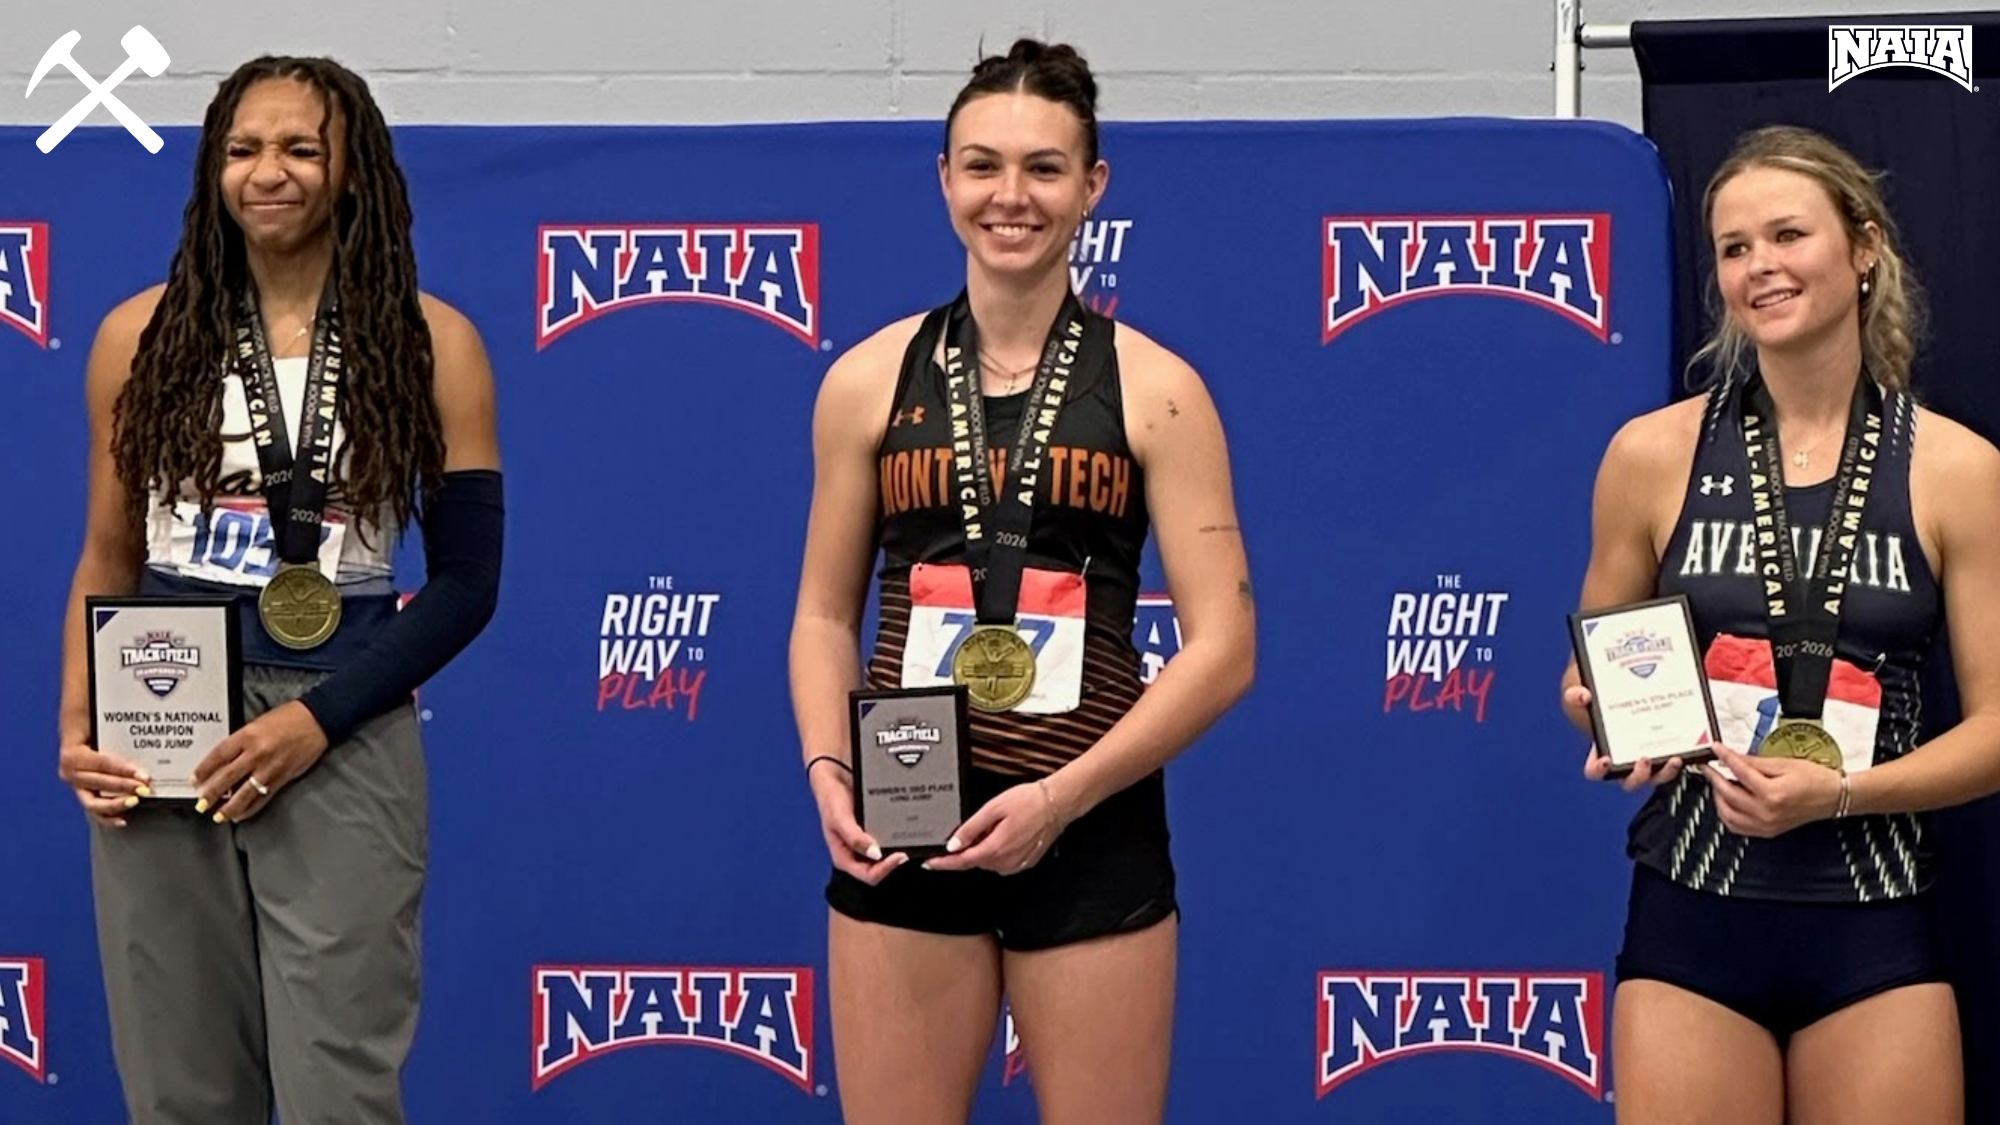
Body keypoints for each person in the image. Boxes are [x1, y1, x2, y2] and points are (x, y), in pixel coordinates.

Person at [787, 38, 1255, 1125]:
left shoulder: (1158, 388)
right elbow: (820, 613)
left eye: (1044, 168)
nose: (1011, 196)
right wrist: (825, 768)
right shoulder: (864, 380)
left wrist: (1058, 798)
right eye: (982, 165)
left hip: (1088, 819)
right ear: (944, 178)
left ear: (1092, 187)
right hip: (904, 812)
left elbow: (1225, 647)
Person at [53, 56, 503, 1124]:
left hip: (341, 715)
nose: (272, 172)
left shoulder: (432, 341)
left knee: (335, 1079)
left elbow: (467, 585)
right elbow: (108, 553)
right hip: (158, 713)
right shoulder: (137, 336)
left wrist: (315, 719)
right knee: (178, 1079)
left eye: (303, 147)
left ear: (352, 170)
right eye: (245, 148)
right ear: (214, 167)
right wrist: (79, 721)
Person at [1562, 124, 1999, 1125]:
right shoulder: (1647, 455)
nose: (1758, 265)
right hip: (1690, 920)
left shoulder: (1955, 469)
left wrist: (1841, 793)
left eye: (1785, 235)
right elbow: (1590, 670)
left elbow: (1992, 731)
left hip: (1872, 925)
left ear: (1862, 248)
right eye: (1731, 247)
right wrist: (1599, 717)